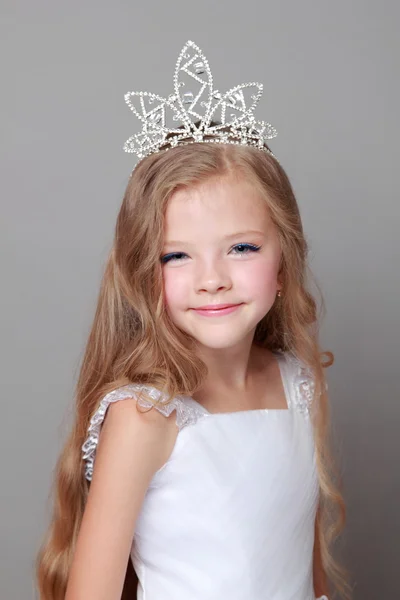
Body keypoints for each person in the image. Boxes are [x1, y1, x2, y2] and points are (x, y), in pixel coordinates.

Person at [35, 40, 352, 600]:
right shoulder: (145, 417)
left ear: (285, 262)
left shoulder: (302, 385)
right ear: (142, 272)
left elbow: (305, 573)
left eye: (243, 248)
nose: (212, 279)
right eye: (176, 255)